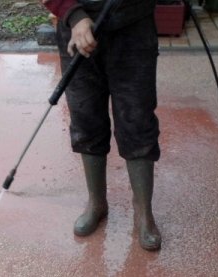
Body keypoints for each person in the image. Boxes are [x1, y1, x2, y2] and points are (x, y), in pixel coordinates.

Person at [42, 0, 162, 251]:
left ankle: (143, 212)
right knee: (86, 117)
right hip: (77, 31)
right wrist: (73, 15)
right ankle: (97, 203)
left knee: (137, 119)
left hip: (132, 28)